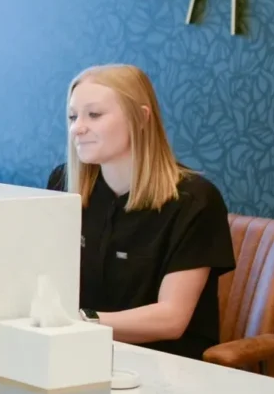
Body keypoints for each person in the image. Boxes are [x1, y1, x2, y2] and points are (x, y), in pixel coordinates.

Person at [45, 64, 234, 358]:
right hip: (79, 353)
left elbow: (171, 319)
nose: (77, 128)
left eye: (94, 115)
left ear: (141, 117)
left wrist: (76, 322)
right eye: (73, 116)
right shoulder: (64, 184)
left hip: (167, 366)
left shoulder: (194, 200)